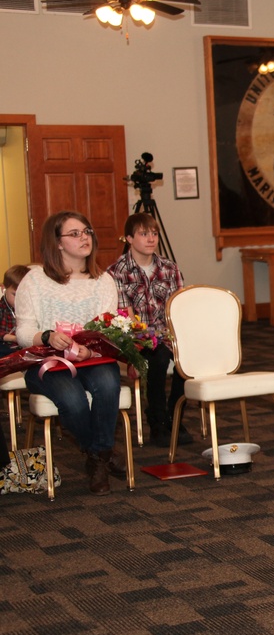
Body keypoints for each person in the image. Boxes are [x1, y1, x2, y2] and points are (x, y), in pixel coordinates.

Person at [15, 212, 124, 495]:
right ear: (58, 243)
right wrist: (47, 336)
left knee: (109, 384)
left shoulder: (103, 281)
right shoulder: (35, 280)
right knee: (73, 400)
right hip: (47, 361)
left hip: (91, 356)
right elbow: (24, 332)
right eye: (74, 233)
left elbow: (107, 328)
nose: (84, 237)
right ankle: (100, 454)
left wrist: (91, 348)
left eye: (86, 231)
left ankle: (97, 458)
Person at [107, 213, 189, 447]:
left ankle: (175, 416)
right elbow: (125, 316)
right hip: (137, 338)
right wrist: (144, 338)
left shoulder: (169, 268)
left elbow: (178, 307)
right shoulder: (117, 271)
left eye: (154, 233)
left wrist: (175, 336)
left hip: (167, 333)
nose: (151, 238)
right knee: (159, 356)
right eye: (144, 234)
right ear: (130, 238)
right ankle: (157, 420)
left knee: (186, 356)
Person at [0, 264, 29, 358]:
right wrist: (14, 338)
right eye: (15, 294)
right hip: (4, 346)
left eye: (23, 295)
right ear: (3, 288)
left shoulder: (29, 308)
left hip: (22, 347)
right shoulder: (1, 308)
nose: (19, 300)